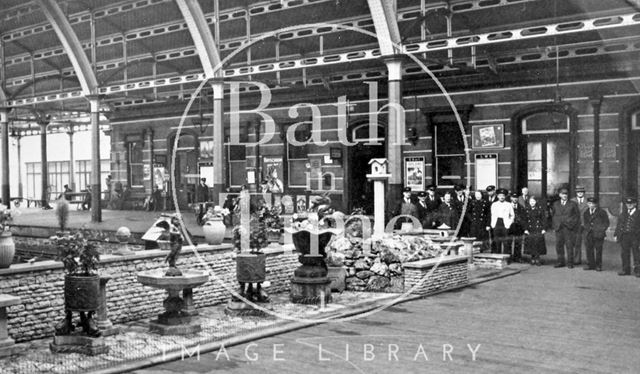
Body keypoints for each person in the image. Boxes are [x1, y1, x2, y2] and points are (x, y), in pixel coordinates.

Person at [551, 187, 580, 268]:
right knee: (559, 245)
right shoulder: (555, 204)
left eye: (566, 194)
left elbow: (577, 216)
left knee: (569, 245)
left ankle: (570, 263)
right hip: (558, 228)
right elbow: (553, 215)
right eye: (563, 194)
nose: (565, 195)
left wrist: (572, 225)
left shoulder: (573, 204)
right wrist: (555, 224)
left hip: (568, 228)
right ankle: (560, 262)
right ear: (560, 195)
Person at [614, 197, 640, 277]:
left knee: (637, 254)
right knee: (624, 253)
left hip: (635, 236)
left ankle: (638, 271)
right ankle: (626, 270)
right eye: (628, 204)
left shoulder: (638, 214)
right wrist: (616, 234)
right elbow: (619, 225)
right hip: (624, 236)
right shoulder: (623, 214)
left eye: (631, 203)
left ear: (635, 204)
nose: (629, 205)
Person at [583, 197, 609, 271]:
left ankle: (598, 265)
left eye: (592, 204)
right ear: (587, 204)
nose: (591, 205)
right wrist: (587, 229)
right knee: (589, 249)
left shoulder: (601, 212)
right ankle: (590, 264)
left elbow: (606, 222)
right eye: (589, 203)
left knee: (598, 250)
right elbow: (585, 222)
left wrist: (601, 229)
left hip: (598, 233)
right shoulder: (586, 212)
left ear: (596, 204)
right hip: (589, 233)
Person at [524, 195, 547, 265]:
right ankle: (532, 258)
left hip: (538, 228)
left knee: (538, 243)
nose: (532, 203)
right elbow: (524, 220)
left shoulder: (540, 209)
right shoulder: (526, 209)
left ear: (536, 202)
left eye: (533, 201)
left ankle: (537, 258)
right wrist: (525, 229)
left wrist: (544, 228)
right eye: (531, 201)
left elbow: (544, 219)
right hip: (530, 229)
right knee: (531, 243)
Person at [490, 188, 514, 254]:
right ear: (497, 196)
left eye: (503, 196)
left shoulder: (508, 204)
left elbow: (512, 215)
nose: (502, 197)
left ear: (505, 196)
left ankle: (506, 258)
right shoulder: (494, 204)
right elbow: (492, 214)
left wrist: (509, 223)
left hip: (505, 224)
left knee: (506, 242)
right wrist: (493, 224)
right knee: (497, 242)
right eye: (500, 195)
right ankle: (498, 257)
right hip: (496, 223)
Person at [571, 185, 588, 266]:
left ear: (584, 193)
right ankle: (577, 259)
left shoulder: (588, 201)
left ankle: (589, 260)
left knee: (587, 242)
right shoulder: (572, 201)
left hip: (586, 224)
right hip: (576, 224)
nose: (580, 193)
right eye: (578, 192)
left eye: (581, 192)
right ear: (576, 193)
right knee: (577, 242)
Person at [509, 192, 526, 262]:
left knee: (518, 243)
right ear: (511, 198)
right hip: (510, 226)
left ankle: (518, 257)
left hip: (518, 227)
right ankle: (509, 257)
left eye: (516, 198)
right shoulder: (507, 206)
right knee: (508, 242)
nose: (515, 199)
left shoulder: (521, 207)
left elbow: (523, 217)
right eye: (513, 197)